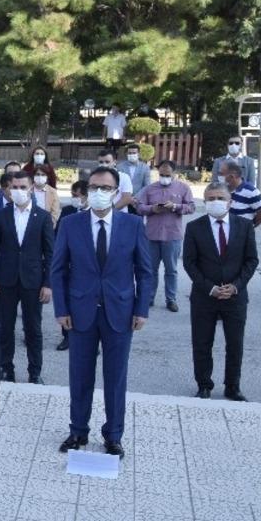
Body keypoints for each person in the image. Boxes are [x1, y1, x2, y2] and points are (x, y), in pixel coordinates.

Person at [51, 166, 153, 457]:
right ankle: (78, 432)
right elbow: (57, 271)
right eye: (93, 187)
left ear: (116, 192)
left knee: (115, 377)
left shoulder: (132, 225)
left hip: (120, 312)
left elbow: (145, 272)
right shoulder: (71, 224)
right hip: (80, 312)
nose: (98, 193)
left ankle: (113, 435)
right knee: (80, 376)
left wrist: (142, 308)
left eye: (105, 188)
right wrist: (61, 309)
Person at [183, 183, 258, 401]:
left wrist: (235, 286)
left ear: (230, 201)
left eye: (220, 197)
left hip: (235, 296)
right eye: (211, 198)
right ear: (204, 202)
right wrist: (210, 288)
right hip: (204, 297)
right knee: (202, 342)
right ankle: (203, 384)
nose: (216, 201)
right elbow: (189, 263)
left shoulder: (244, 226)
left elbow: (251, 260)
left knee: (235, 344)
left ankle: (232, 386)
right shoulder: (195, 227)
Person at [0, 171, 54, 385]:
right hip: (5, 280)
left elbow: (50, 253)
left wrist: (48, 283)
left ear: (31, 188)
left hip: (33, 281)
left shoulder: (42, 217)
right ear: (8, 189)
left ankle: (35, 372)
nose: (18, 191)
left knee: (33, 328)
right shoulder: (2, 215)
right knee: (4, 327)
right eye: (14, 187)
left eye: (23, 187)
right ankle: (6, 369)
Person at [136, 161, 195, 312]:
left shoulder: (183, 188)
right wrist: (152, 209)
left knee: (171, 269)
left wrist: (176, 207)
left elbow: (191, 207)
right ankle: (148, 298)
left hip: (172, 235)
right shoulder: (149, 189)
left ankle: (171, 299)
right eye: (161, 174)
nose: (164, 177)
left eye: (167, 175)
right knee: (150, 269)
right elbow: (139, 207)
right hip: (152, 235)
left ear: (174, 173)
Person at [55, 179, 88, 352]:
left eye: (77, 195)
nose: (74, 198)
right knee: (67, 301)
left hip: (88, 268)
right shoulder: (67, 212)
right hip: (68, 264)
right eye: (72, 195)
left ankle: (91, 340)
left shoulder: (97, 213)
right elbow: (57, 235)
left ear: (87, 196)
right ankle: (67, 336)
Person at [221, 160, 261, 227]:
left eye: (222, 174)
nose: (219, 176)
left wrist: (249, 228)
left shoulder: (251, 192)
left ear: (232, 176)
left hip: (241, 235)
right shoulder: (223, 189)